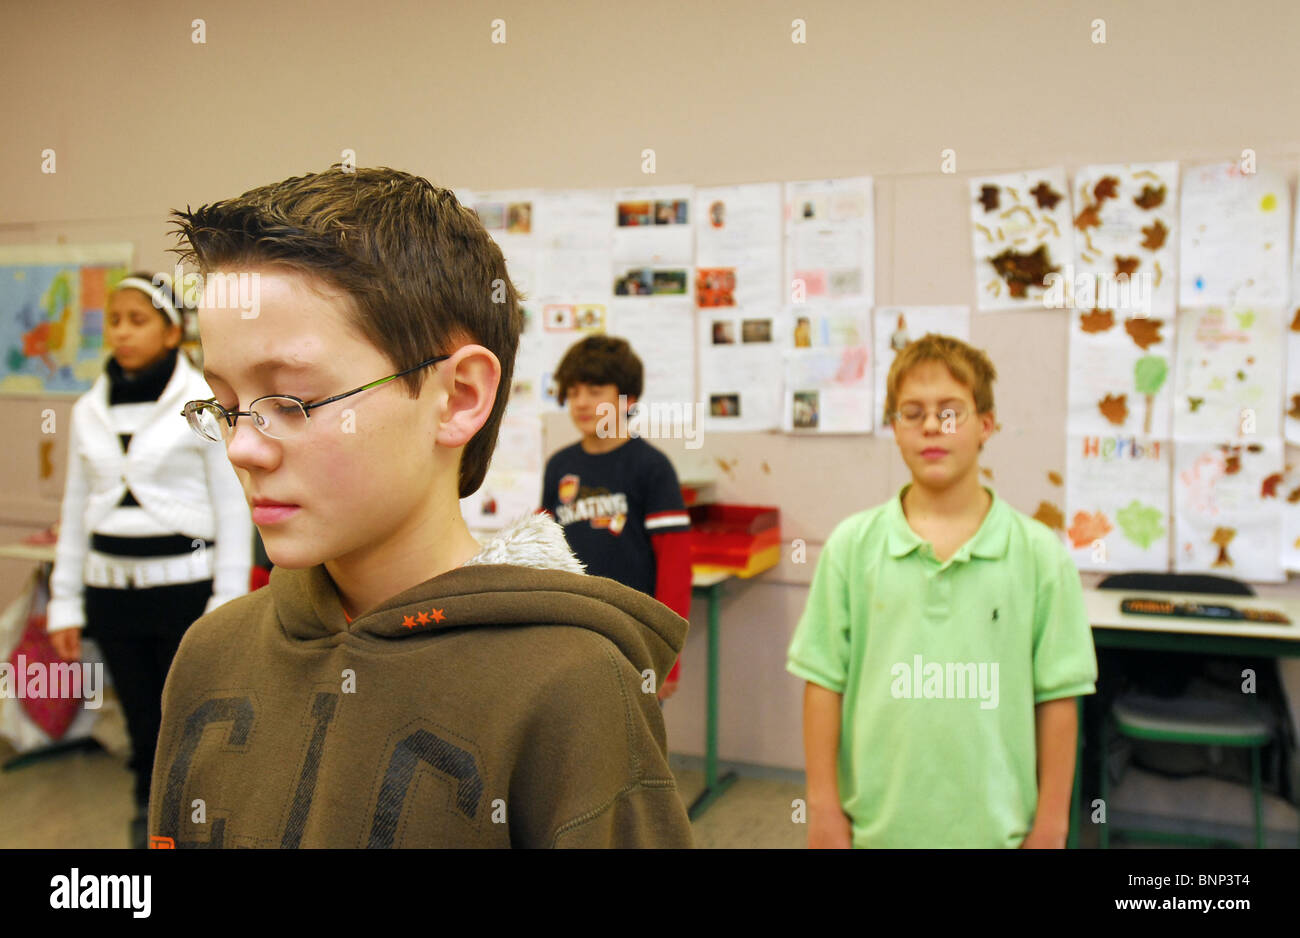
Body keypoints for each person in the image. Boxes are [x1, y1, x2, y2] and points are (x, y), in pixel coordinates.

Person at [150, 166, 693, 848]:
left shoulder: (572, 689)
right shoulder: (210, 653)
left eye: (292, 402)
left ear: (460, 397)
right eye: (225, 406)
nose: (242, 449)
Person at [787, 333, 1097, 848]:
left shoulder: (1040, 555)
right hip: (875, 832)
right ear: (894, 428)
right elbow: (823, 682)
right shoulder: (851, 547)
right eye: (913, 413)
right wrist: (822, 808)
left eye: (950, 411)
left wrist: (1052, 823)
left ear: (986, 426)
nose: (932, 425)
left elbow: (1059, 698)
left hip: (1001, 833)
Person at [46, 271, 252, 848]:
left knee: (188, 717)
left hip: (184, 591)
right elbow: (75, 502)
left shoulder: (201, 403)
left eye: (138, 320)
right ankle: (149, 817)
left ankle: (197, 817)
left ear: (171, 332)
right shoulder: (90, 408)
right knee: (139, 719)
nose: (123, 332)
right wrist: (65, 602)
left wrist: (226, 598)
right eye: (114, 320)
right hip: (111, 591)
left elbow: (231, 505)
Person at [540, 336, 692, 702]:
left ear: (628, 399)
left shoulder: (651, 467)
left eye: (594, 391)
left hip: (632, 639)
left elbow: (675, 566)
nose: (581, 403)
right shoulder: (560, 465)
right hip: (570, 632)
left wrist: (667, 655)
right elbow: (543, 550)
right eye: (573, 392)